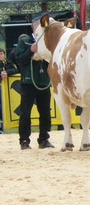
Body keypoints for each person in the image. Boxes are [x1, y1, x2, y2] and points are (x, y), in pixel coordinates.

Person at [13, 15, 54, 150]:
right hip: (28, 83)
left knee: (45, 112)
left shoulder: (48, 42)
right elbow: (19, 60)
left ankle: (44, 138)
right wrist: (30, 51)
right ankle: (24, 140)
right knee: (25, 112)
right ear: (36, 26)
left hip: (44, 82)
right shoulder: (25, 41)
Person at [1, 48, 19, 133]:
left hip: (5, 90)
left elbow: (16, 69)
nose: (1, 56)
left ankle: (3, 127)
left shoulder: (7, 63)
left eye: (2, 54)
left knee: (3, 108)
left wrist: (7, 72)